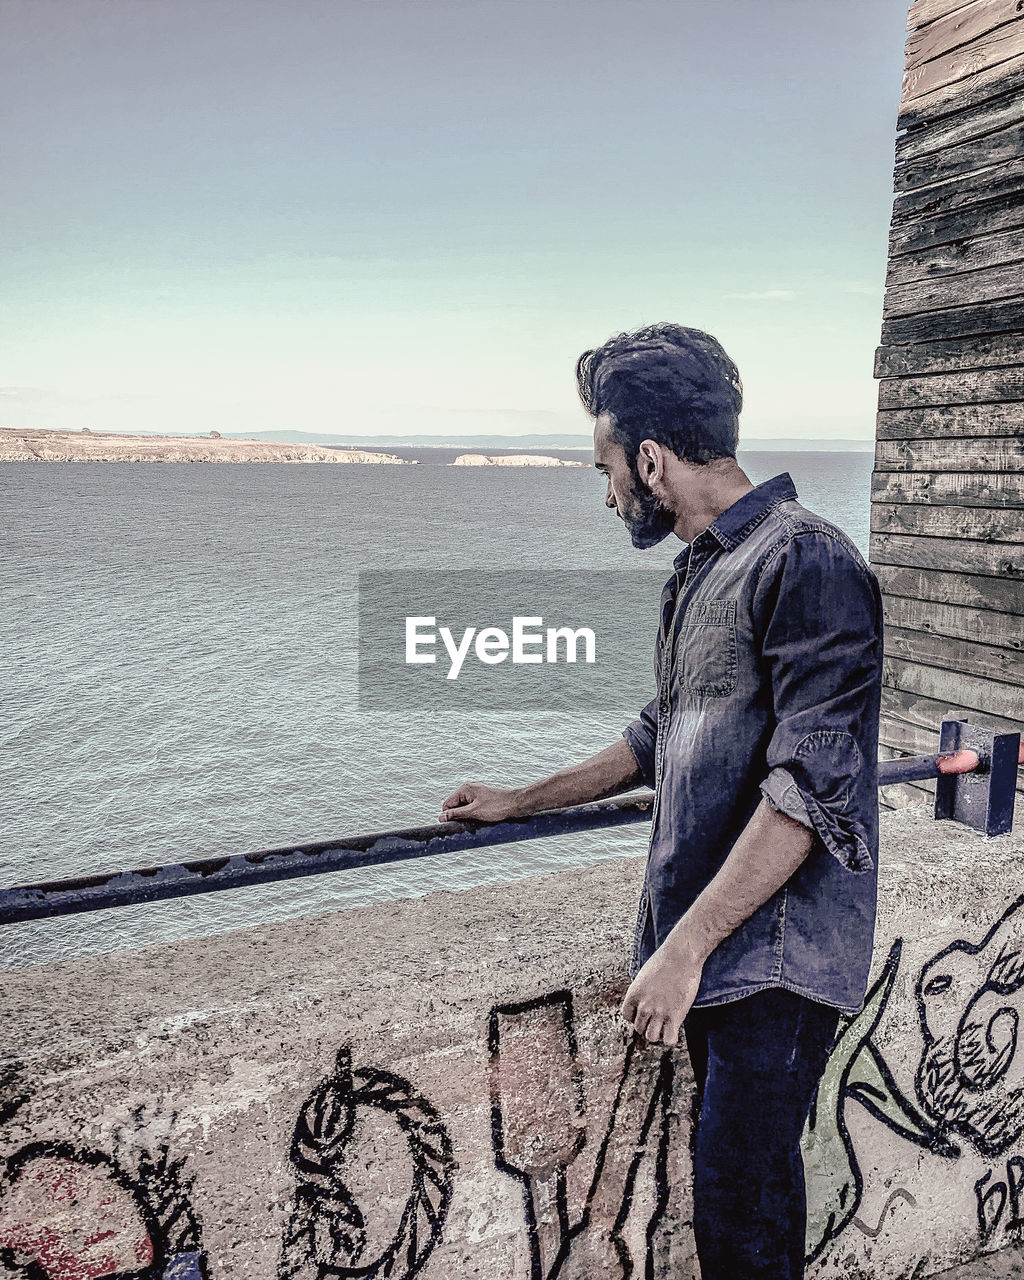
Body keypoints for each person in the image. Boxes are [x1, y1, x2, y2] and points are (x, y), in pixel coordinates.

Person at [439, 323, 883, 1280]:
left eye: (606, 469)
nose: (606, 494)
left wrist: (684, 950)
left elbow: (808, 793)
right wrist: (521, 800)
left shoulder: (807, 562)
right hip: (721, 959)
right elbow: (658, 737)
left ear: (649, 458)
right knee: (741, 1206)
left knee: (744, 1217)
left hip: (773, 964)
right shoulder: (704, 570)